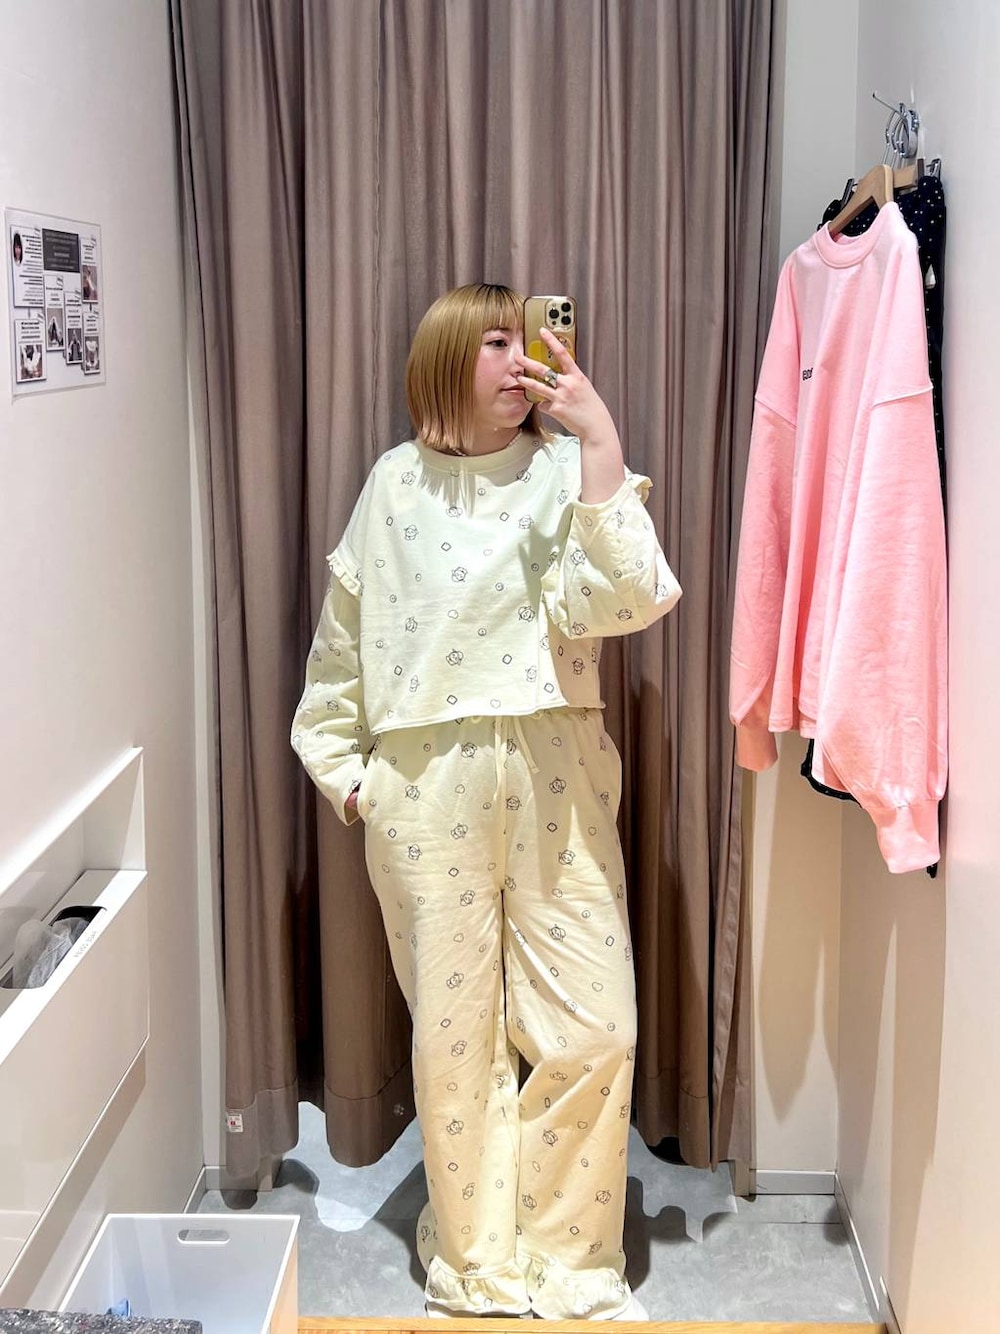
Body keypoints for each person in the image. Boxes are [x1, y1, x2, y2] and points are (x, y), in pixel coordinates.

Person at [291, 283, 681, 1321]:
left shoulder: (564, 469)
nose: (521, 360)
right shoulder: (392, 485)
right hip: (427, 793)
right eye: (495, 341)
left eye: (529, 338)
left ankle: (571, 1258)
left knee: (595, 1026)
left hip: (558, 770)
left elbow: (629, 600)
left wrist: (599, 439)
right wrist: (355, 781)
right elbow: (339, 652)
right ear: (445, 358)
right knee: (455, 1041)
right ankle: (478, 1263)